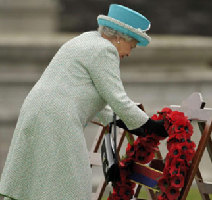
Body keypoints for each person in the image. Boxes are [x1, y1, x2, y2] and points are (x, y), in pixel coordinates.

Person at [0, 4, 167, 200]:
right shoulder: (105, 50)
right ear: (120, 37)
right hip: (57, 118)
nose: (130, 52)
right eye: (132, 45)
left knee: (40, 180)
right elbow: (116, 97)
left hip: (39, 111)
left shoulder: (87, 40)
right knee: (70, 181)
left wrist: (122, 120)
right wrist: (149, 126)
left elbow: (83, 94)